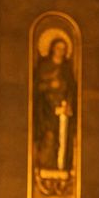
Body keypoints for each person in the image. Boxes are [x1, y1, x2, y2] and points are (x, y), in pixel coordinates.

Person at [34, 37, 77, 171]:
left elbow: (71, 89)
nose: (61, 51)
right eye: (58, 48)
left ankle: (60, 166)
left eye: (64, 49)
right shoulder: (44, 66)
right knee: (49, 137)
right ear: (52, 48)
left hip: (62, 111)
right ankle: (46, 166)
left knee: (63, 139)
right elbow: (37, 87)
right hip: (46, 109)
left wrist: (68, 104)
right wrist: (49, 85)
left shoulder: (66, 69)